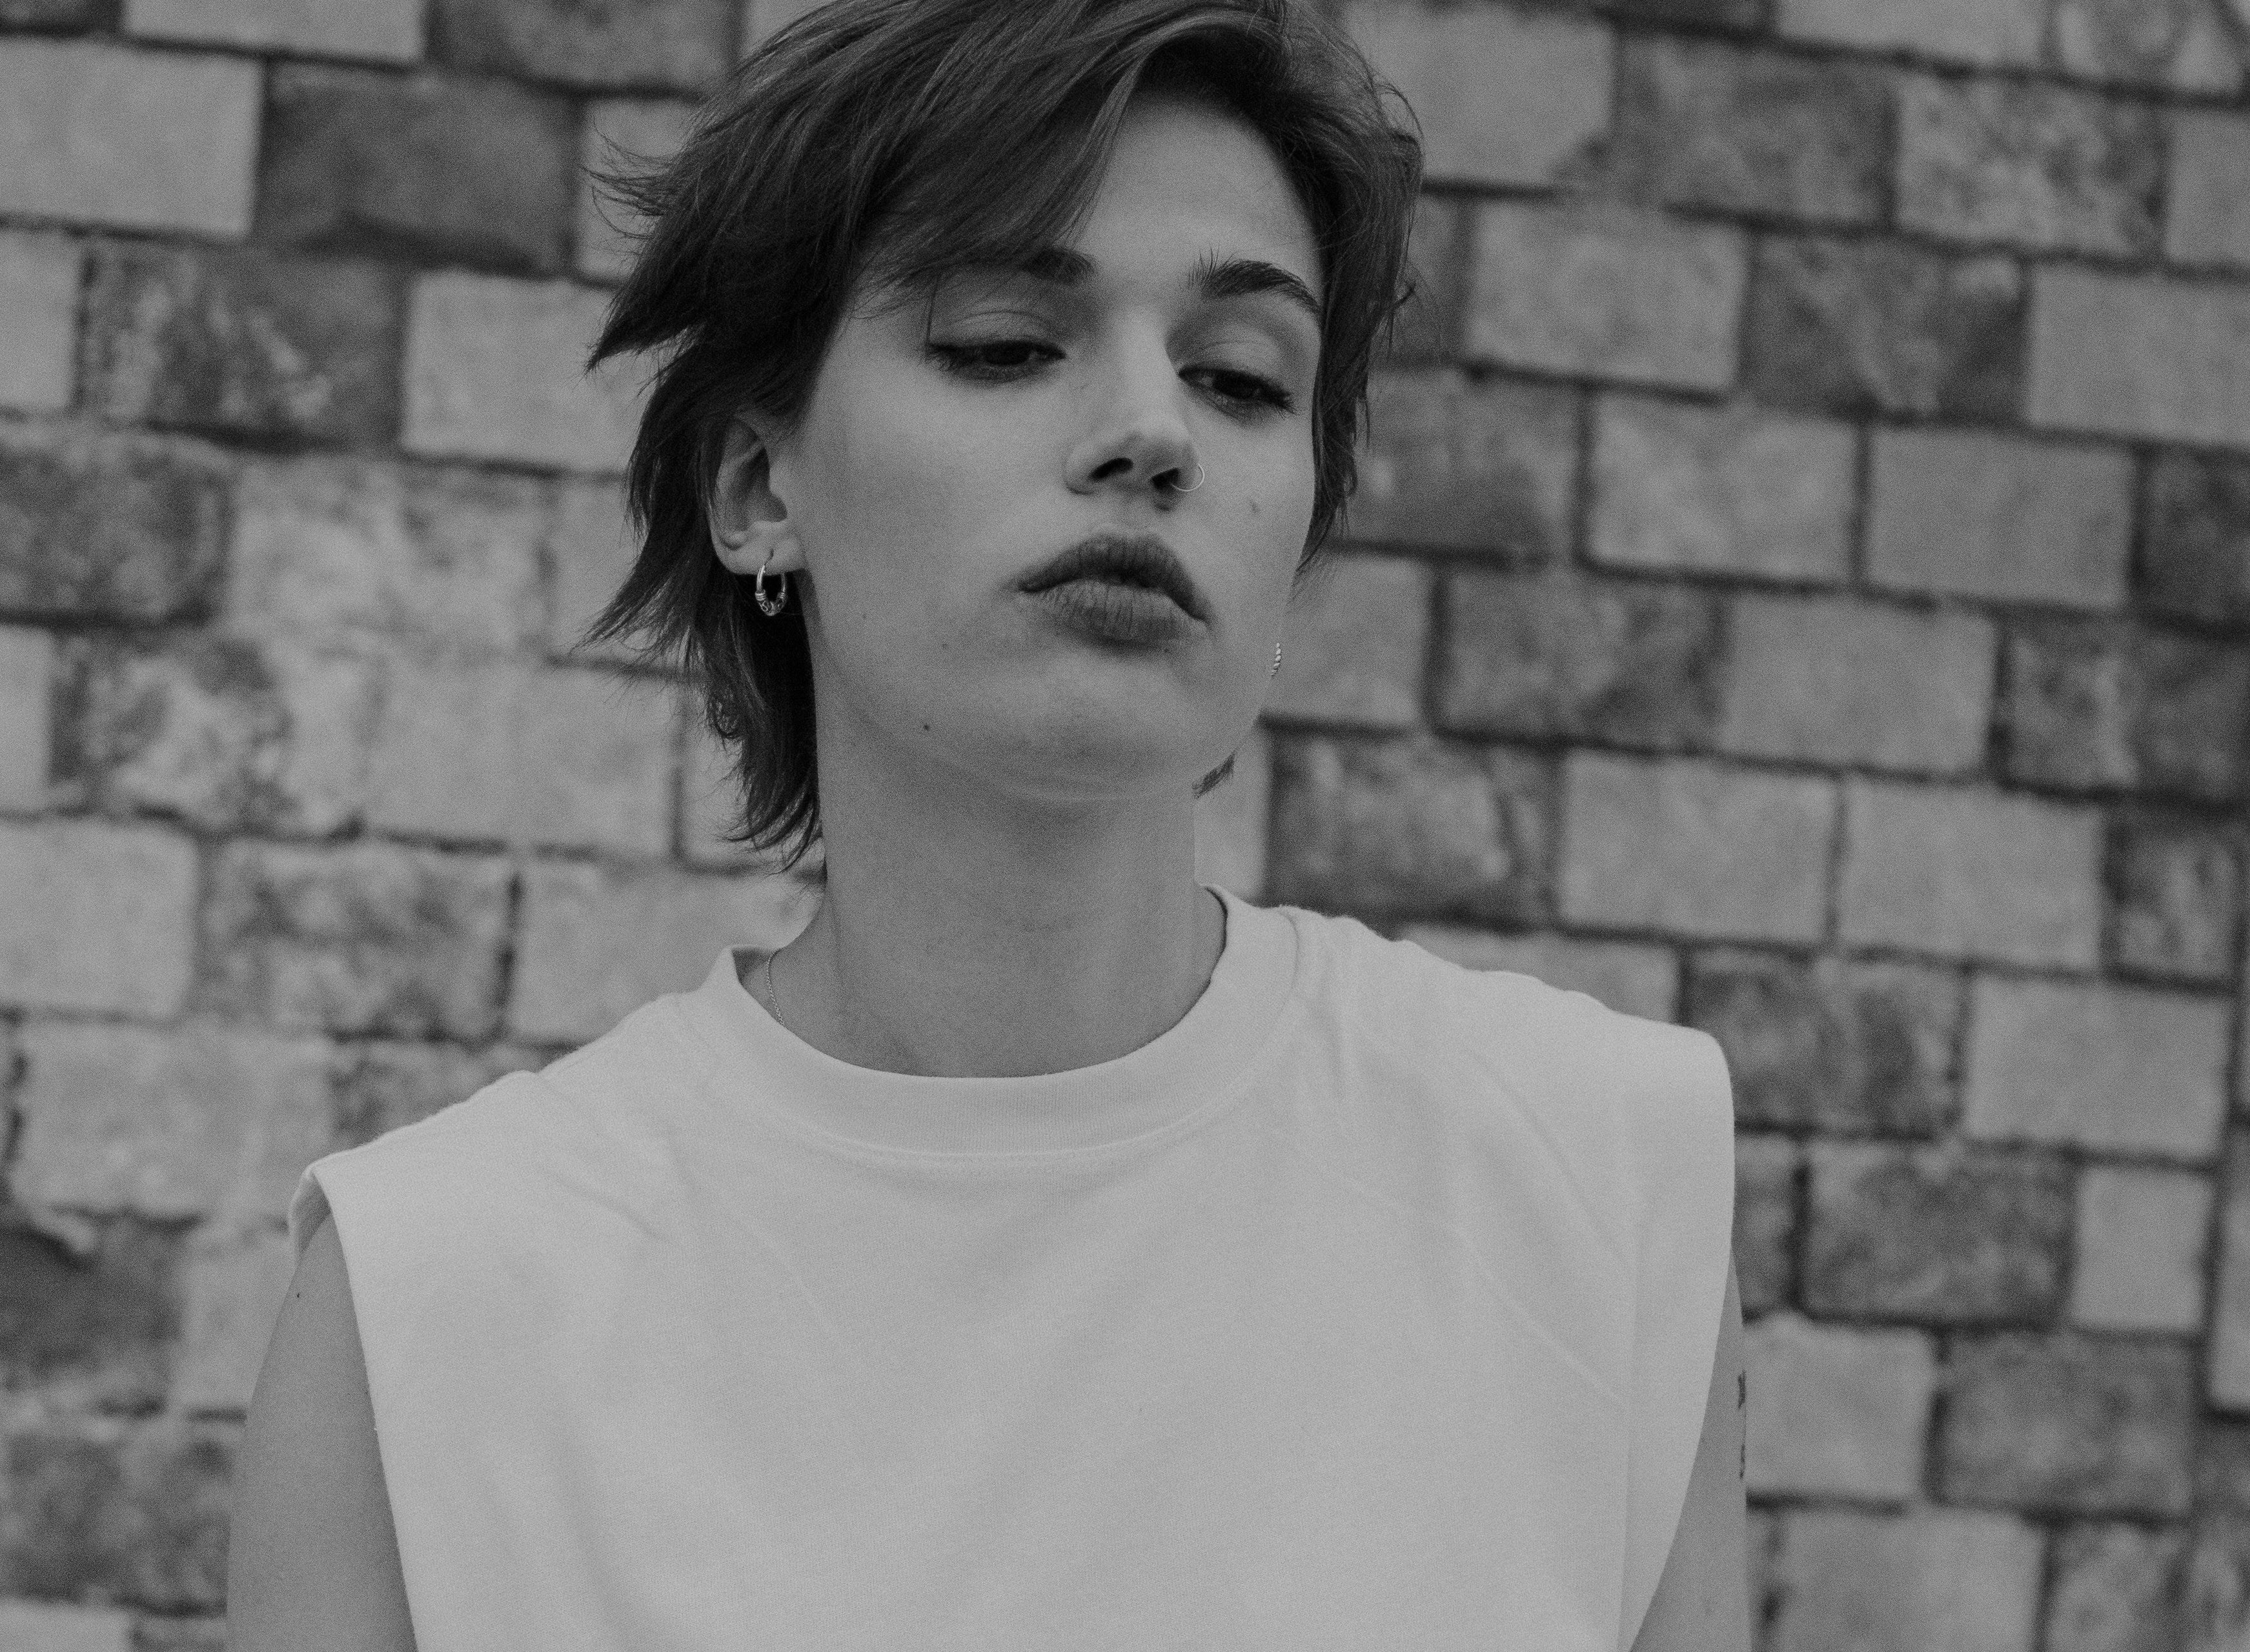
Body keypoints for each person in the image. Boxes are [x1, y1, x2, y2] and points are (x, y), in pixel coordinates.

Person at [225, 0, 1747, 1646]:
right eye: (1008, 343)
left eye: (1241, 377)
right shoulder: (432, 1308)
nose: (1153, 431)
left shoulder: (1594, 1177)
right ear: (758, 487)